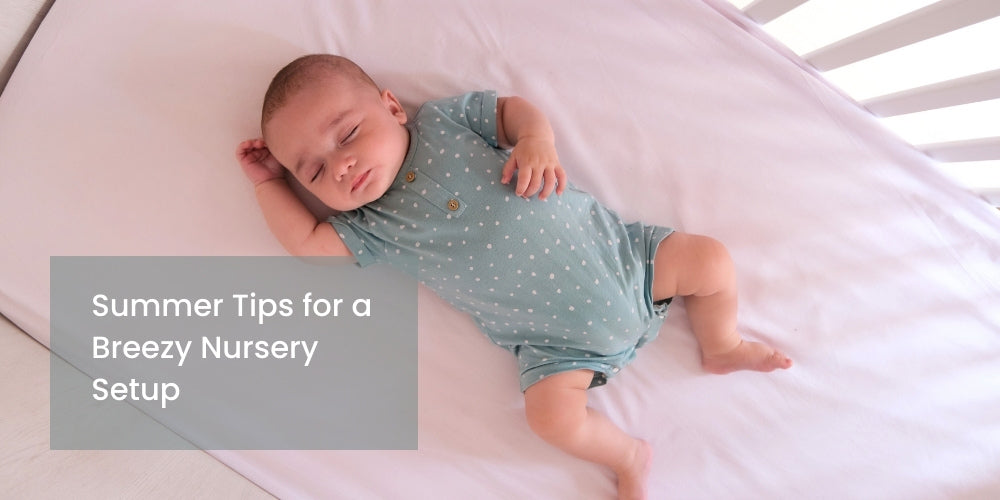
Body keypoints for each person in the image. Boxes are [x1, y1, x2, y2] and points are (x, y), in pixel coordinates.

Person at [236, 54, 792, 499]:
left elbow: (514, 111)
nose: (340, 166)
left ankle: (722, 344)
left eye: (349, 134)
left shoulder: (445, 122)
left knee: (711, 261)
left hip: (630, 262)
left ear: (391, 106)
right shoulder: (372, 226)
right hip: (557, 350)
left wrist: (536, 142)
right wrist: (268, 183)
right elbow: (310, 246)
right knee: (550, 419)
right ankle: (628, 455)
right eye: (313, 171)